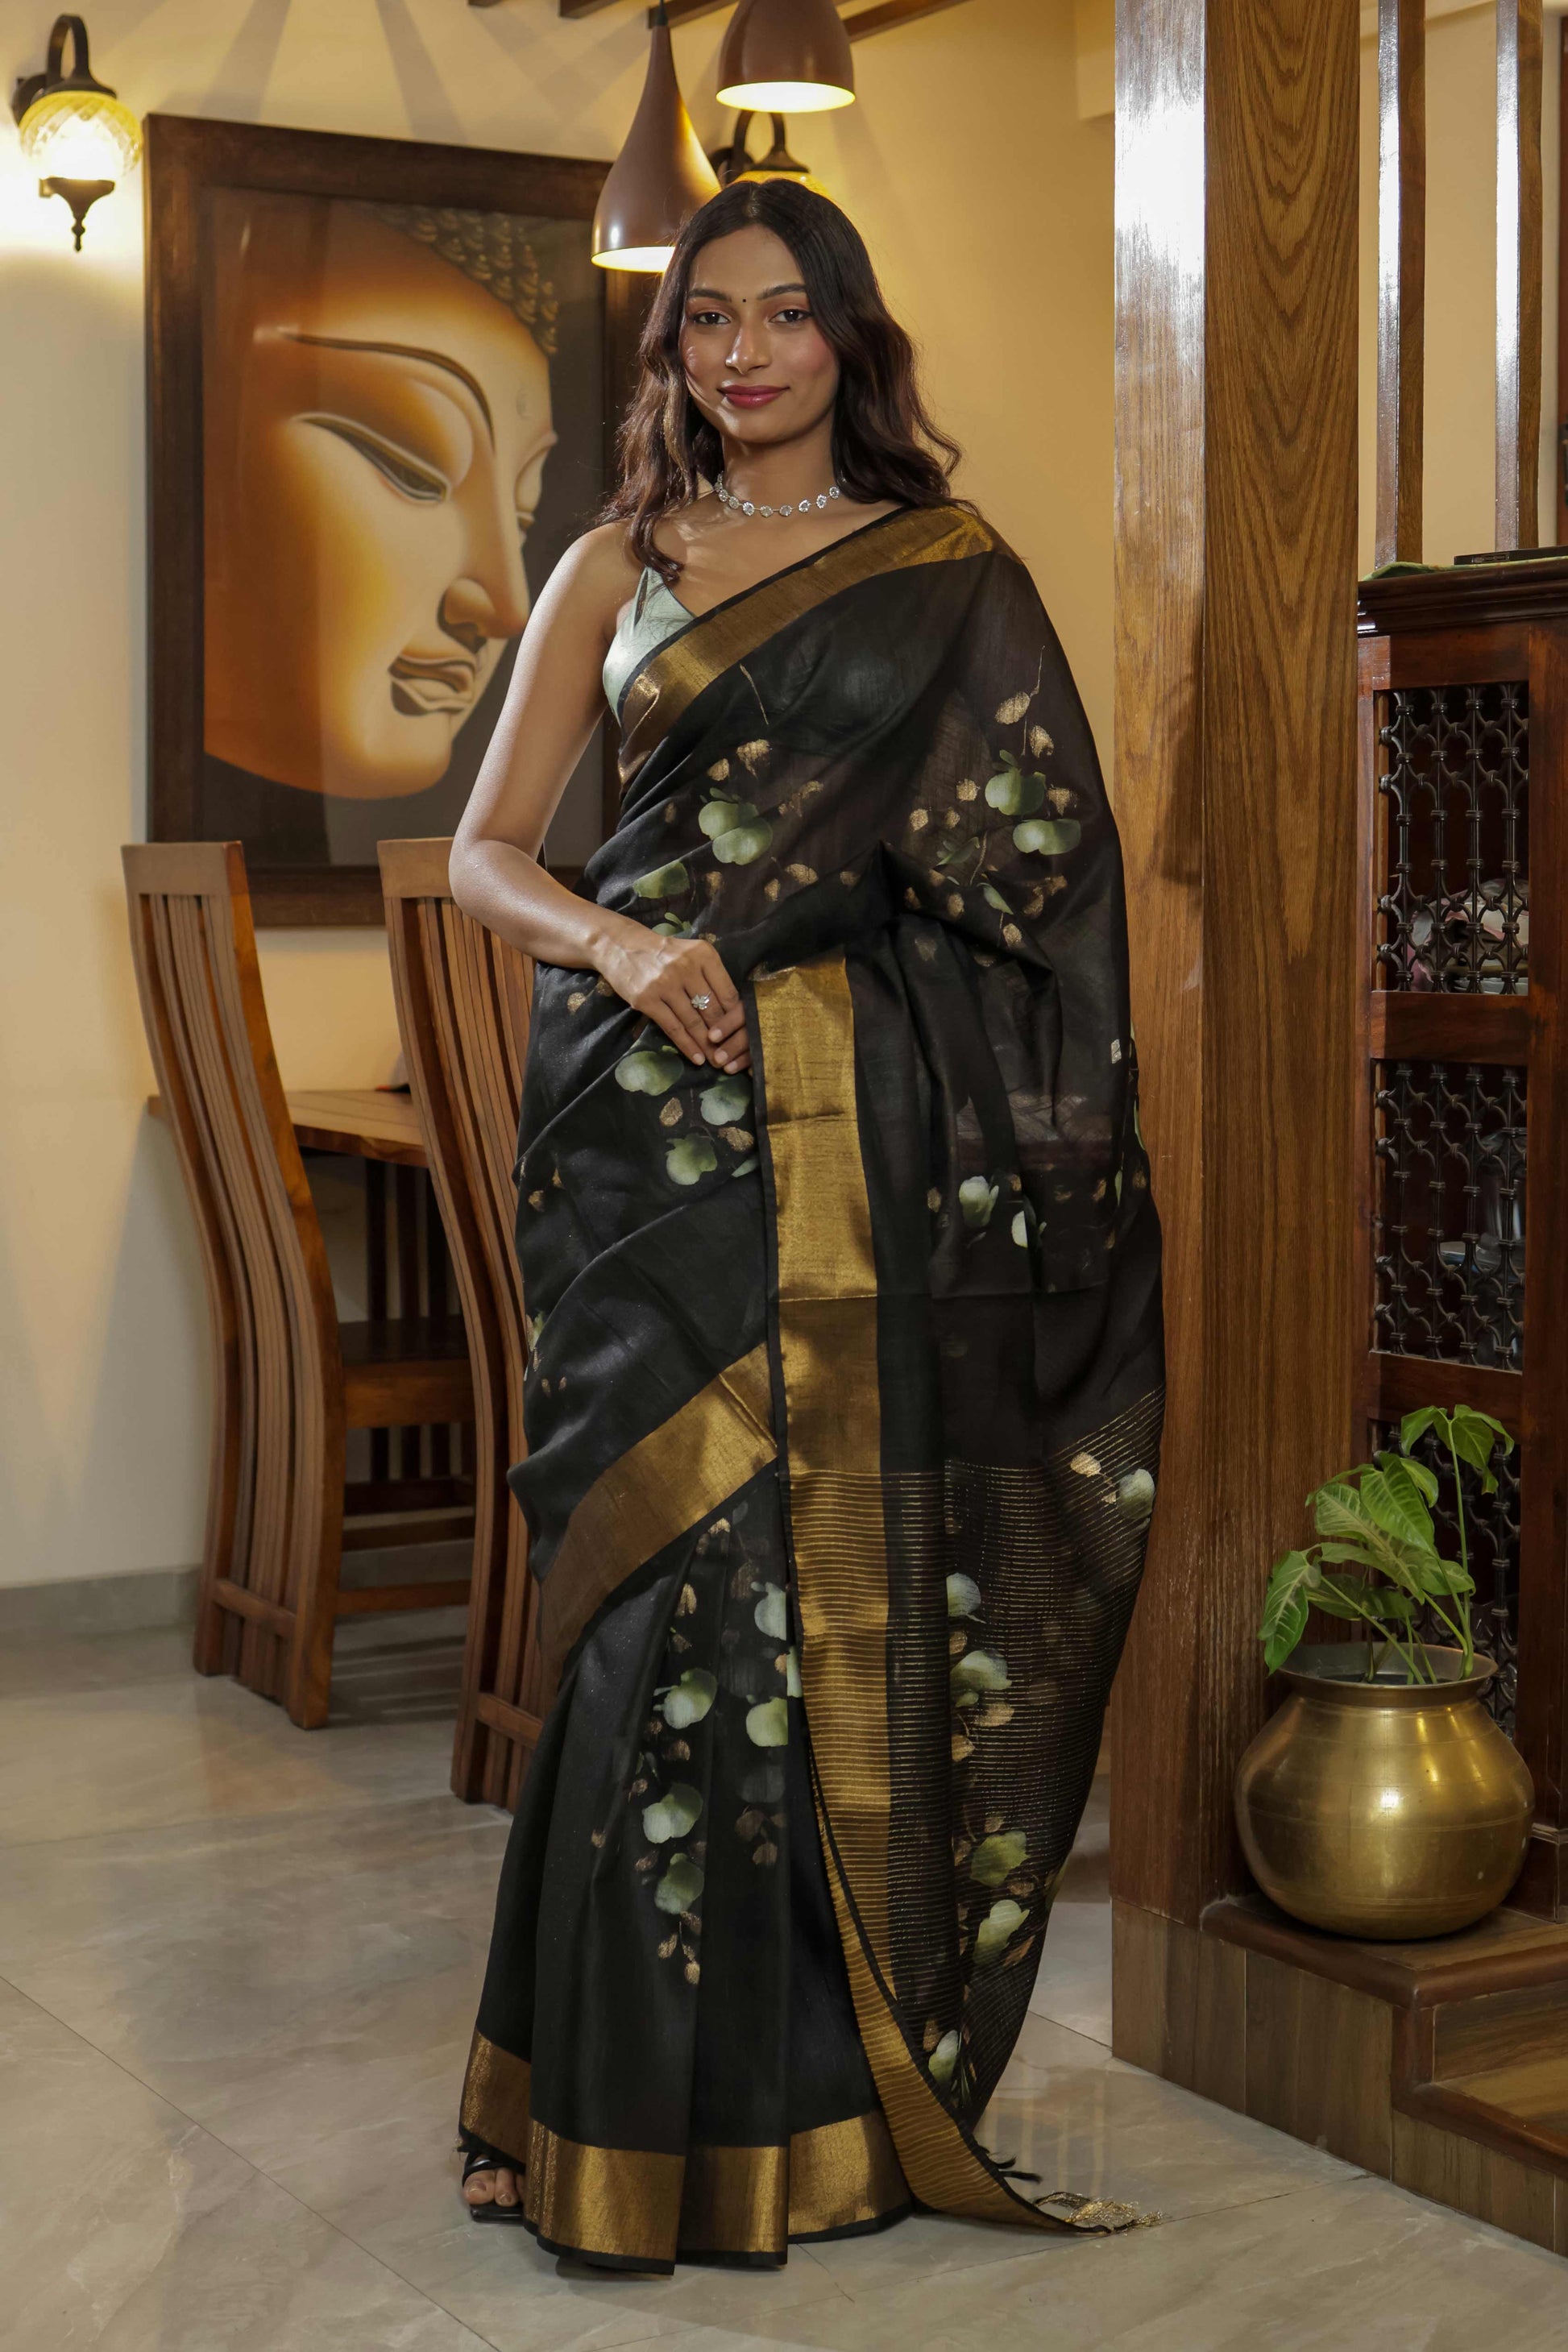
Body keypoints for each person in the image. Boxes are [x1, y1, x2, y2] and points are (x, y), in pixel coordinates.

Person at [447, 175, 1164, 2272]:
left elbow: (1040, 893)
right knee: (633, 1600)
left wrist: (829, 1011)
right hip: (636, 1132)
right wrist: (619, 945)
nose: (742, 355)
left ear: (848, 338)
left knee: (782, 1602)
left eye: (781, 316)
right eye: (706, 320)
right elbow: (487, 855)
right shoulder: (618, 562)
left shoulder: (947, 573)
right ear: (668, 347)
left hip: (858, 1132)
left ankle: (803, 2118)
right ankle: (578, 2102)